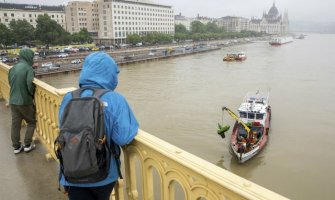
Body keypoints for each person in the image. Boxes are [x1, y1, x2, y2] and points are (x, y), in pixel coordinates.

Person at [58, 52, 139, 200]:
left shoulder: (69, 97)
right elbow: (124, 137)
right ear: (110, 73)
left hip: (71, 172)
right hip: (102, 175)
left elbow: (63, 128)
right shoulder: (114, 99)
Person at [8, 48, 36, 154]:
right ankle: (27, 145)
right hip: (24, 101)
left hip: (13, 100)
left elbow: (10, 82)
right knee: (31, 122)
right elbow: (29, 84)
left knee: (15, 124)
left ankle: (16, 147)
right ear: (29, 56)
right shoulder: (28, 68)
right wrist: (31, 94)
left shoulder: (13, 68)